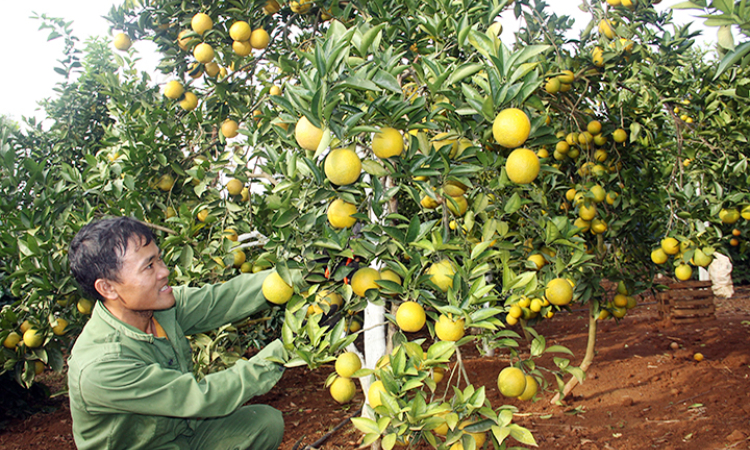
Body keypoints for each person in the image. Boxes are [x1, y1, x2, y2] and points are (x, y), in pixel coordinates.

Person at [67, 216, 287, 450]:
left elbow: (225, 299)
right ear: (108, 288)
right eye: (149, 266)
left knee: (262, 423)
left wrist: (297, 273)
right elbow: (200, 397)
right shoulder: (100, 367)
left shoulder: (159, 306)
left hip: (182, 439)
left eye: (160, 259)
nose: (164, 271)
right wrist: (287, 349)